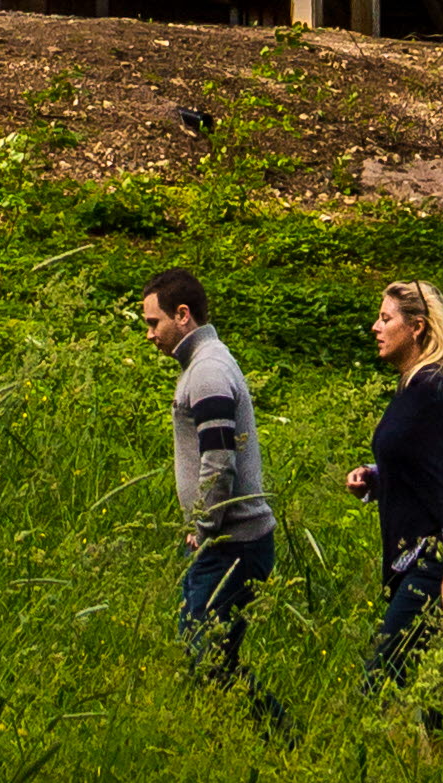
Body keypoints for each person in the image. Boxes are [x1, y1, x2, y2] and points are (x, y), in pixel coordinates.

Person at [138, 266, 284, 722]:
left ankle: (280, 737)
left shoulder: (208, 371)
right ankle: (247, 736)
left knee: (206, 655)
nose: (149, 335)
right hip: (228, 540)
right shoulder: (207, 363)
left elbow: (219, 460)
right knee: (208, 654)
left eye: (152, 322)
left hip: (231, 543)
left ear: (183, 315)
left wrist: (203, 526)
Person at [342, 278, 443, 691]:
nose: (375, 327)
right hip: (418, 559)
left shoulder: (435, 389)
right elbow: (424, 466)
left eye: (385, 318)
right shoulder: (414, 386)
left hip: (434, 564)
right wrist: (375, 478)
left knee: (379, 683)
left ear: (416, 327)